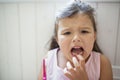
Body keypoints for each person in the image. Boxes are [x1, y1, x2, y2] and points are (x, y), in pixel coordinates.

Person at [38, 0, 113, 80]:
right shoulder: (48, 60)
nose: (76, 38)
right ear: (57, 39)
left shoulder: (102, 64)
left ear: (94, 36)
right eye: (67, 33)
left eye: (84, 31)